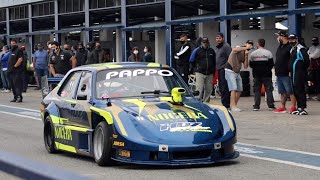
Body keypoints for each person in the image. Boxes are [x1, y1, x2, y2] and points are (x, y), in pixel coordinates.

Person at [224, 40, 253, 112]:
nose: (249, 45)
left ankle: (234, 105)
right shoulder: (239, 48)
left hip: (237, 72)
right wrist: (245, 48)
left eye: (251, 44)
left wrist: (246, 56)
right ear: (245, 44)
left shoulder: (245, 53)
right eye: (248, 44)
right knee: (233, 88)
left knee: (240, 89)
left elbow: (246, 66)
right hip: (230, 70)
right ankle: (233, 106)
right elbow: (234, 50)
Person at [273, 30, 297, 114]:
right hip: (279, 73)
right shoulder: (280, 46)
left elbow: (292, 60)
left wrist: (290, 71)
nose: (278, 38)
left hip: (286, 73)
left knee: (290, 91)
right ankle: (282, 107)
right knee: (282, 91)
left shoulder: (289, 47)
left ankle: (293, 107)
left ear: (282, 37)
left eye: (278, 36)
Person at [249, 39, 275, 111]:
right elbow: (271, 64)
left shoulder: (253, 54)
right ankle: (271, 105)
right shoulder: (268, 53)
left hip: (257, 75)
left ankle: (256, 106)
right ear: (264, 44)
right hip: (267, 75)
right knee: (269, 90)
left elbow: (251, 65)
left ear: (258, 44)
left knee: (257, 90)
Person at [288, 34, 310, 115]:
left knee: (300, 90)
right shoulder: (292, 49)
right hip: (293, 73)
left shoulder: (301, 49)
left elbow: (307, 61)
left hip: (299, 73)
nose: (291, 41)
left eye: (293, 39)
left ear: (296, 39)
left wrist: (301, 70)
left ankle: (303, 108)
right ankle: (299, 107)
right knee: (295, 90)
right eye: (290, 39)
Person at [190, 37, 216, 102]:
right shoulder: (197, 50)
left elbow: (214, 61)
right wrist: (195, 69)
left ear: (208, 43)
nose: (205, 44)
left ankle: (206, 103)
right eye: (204, 42)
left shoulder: (211, 51)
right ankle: (197, 103)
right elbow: (191, 60)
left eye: (206, 42)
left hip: (210, 73)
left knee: (209, 89)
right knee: (199, 89)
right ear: (201, 43)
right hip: (200, 72)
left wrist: (213, 71)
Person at [214, 33, 232, 109]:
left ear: (223, 38)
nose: (218, 39)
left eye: (219, 38)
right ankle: (224, 103)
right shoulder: (218, 47)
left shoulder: (226, 46)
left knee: (224, 87)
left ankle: (226, 104)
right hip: (219, 69)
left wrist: (226, 67)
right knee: (221, 87)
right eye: (217, 38)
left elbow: (230, 57)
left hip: (224, 69)